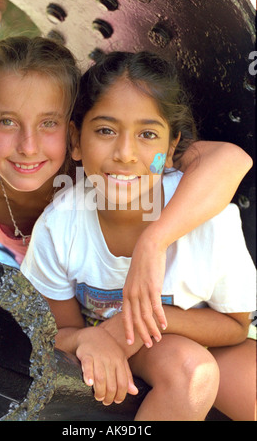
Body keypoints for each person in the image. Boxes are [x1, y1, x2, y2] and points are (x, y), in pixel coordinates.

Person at [0, 36, 253, 344]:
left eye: (49, 123)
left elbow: (229, 159)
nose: (29, 147)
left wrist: (155, 241)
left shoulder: (107, 161)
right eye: (7, 121)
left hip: (71, 274)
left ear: (72, 125)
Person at [21, 51, 256, 420]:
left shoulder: (210, 221)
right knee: (191, 371)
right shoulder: (60, 224)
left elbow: (235, 326)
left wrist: (146, 316)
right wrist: (88, 338)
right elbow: (53, 331)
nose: (126, 153)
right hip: (135, 349)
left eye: (147, 134)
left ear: (170, 148)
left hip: (205, 337)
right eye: (105, 130)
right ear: (76, 140)